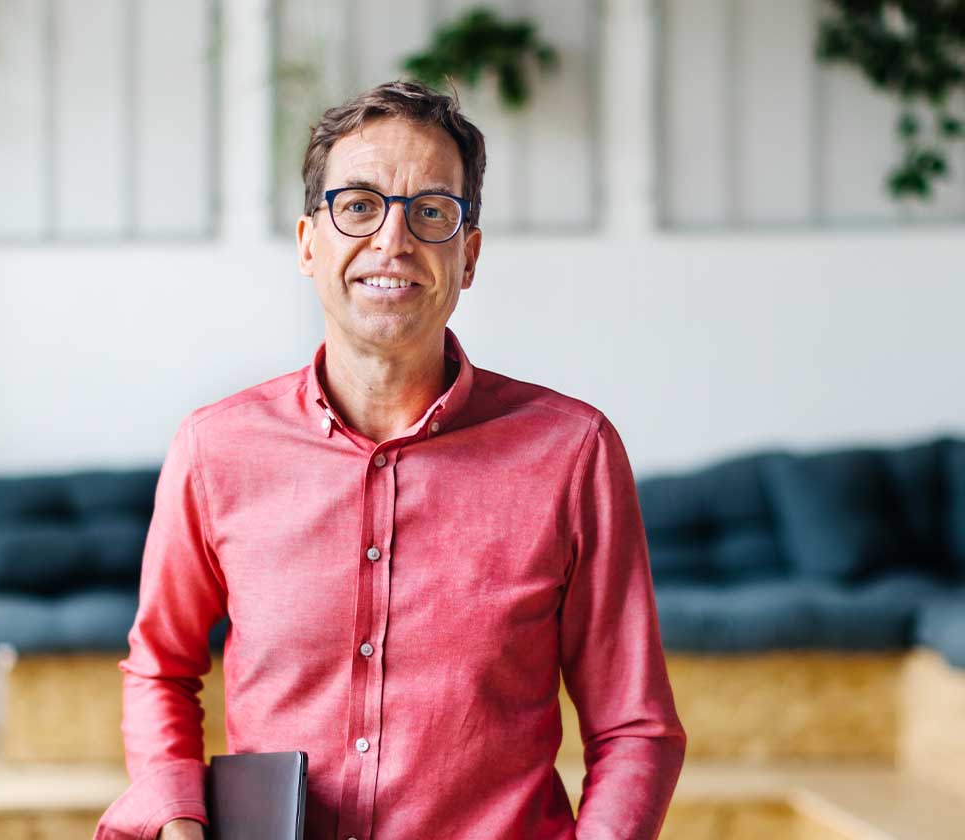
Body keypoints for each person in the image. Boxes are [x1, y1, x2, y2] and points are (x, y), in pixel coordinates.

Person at [94, 79, 685, 840]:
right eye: (359, 205)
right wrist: (177, 824)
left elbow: (636, 726)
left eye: (431, 212)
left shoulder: (573, 454)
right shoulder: (215, 450)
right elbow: (160, 670)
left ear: (467, 256)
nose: (392, 241)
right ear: (310, 243)